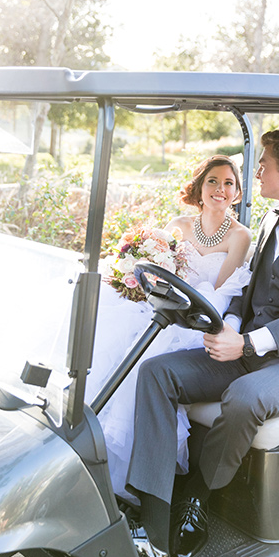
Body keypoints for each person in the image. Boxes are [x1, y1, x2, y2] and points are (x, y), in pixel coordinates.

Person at [125, 128, 279, 557]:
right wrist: (233, 327)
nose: (254, 174)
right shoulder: (271, 219)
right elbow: (246, 290)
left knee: (246, 397)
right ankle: (153, 520)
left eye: (262, 165)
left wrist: (250, 341)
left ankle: (198, 496)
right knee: (157, 373)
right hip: (254, 345)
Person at [85, 155, 252, 500]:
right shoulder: (179, 224)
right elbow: (162, 274)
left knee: (149, 361)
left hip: (199, 318)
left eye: (228, 184)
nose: (220, 189)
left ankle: (136, 482)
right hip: (164, 308)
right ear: (199, 187)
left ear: (236, 193)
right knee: (116, 347)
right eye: (212, 181)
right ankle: (90, 457)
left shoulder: (240, 236)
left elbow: (220, 292)